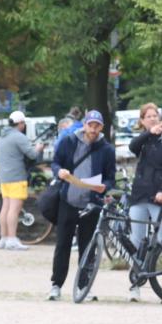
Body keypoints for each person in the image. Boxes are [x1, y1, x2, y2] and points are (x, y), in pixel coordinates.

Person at [47, 110, 115, 301]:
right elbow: (55, 163)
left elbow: (111, 178)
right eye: (90, 125)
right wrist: (59, 171)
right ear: (84, 125)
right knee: (63, 244)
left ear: (101, 128)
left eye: (97, 126)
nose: (93, 129)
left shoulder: (106, 149)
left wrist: (105, 187)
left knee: (88, 247)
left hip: (91, 203)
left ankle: (84, 285)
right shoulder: (69, 141)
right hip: (68, 200)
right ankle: (56, 285)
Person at [126, 103, 162, 301]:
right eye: (148, 116)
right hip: (140, 194)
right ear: (142, 120)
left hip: (159, 196)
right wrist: (149, 133)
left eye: (155, 115)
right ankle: (135, 283)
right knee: (136, 240)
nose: (153, 118)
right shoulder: (144, 140)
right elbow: (132, 147)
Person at [0, 110, 44, 250]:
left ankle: (4, 239)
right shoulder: (19, 137)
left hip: (4, 177)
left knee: (5, 208)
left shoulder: (3, 136)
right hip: (17, 177)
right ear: (21, 123)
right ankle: (12, 239)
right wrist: (39, 148)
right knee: (14, 209)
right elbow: (32, 155)